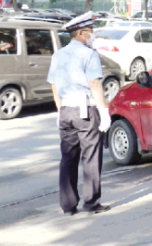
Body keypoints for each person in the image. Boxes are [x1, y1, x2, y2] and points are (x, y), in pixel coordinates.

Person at [47, 12, 112, 215]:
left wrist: (60, 111)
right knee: (91, 158)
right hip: (85, 110)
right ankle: (91, 203)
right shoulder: (89, 54)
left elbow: (54, 87)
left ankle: (68, 205)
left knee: (68, 158)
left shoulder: (58, 55)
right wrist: (104, 112)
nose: (92, 36)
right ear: (82, 33)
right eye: (91, 32)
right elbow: (94, 84)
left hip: (66, 110)